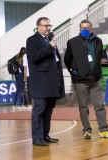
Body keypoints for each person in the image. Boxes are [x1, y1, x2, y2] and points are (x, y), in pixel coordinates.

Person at [64, 19, 108, 139]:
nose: (85, 30)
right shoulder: (72, 42)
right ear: (80, 29)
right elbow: (67, 59)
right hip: (80, 80)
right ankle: (86, 130)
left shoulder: (98, 41)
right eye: (83, 28)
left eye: (87, 28)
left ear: (91, 29)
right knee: (83, 107)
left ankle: (103, 129)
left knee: (100, 105)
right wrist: (73, 71)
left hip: (95, 79)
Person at [26, 17, 65, 146]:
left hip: (52, 80)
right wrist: (50, 47)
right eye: (46, 25)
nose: (49, 28)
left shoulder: (48, 40)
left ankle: (44, 135)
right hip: (40, 81)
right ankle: (37, 138)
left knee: (48, 109)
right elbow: (35, 57)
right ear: (38, 27)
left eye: (50, 25)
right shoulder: (32, 40)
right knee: (39, 109)